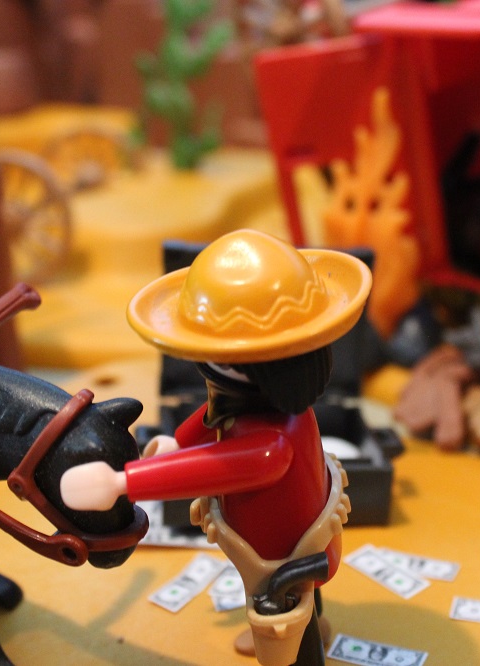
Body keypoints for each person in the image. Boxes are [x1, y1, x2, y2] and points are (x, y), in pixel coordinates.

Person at [60, 229, 372, 666]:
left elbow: (209, 469)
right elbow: (214, 417)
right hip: (284, 536)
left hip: (284, 551)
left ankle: (307, 653)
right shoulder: (260, 408)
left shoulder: (273, 445)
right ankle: (313, 627)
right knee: (301, 606)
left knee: (287, 616)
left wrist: (122, 483)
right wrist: (177, 442)